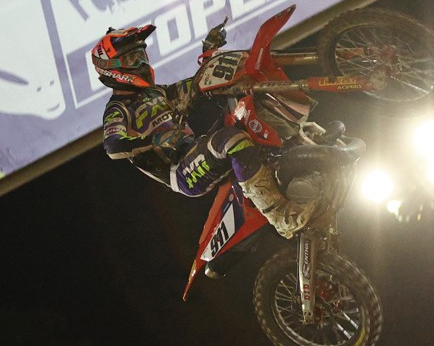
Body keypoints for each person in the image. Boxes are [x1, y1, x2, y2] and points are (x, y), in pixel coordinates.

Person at [91, 24, 314, 237]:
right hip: (181, 172)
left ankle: (303, 144)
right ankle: (280, 216)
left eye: (141, 55)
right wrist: (153, 141)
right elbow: (113, 146)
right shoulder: (117, 109)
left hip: (196, 150)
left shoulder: (158, 93)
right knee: (230, 139)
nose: (141, 62)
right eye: (132, 59)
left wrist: (210, 54)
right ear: (112, 69)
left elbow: (197, 85)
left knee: (244, 110)